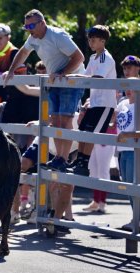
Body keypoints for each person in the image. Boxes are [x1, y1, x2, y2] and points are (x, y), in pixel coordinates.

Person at [4, 9, 85, 173]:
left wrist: (62, 73)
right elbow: (23, 52)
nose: (28, 29)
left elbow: (79, 58)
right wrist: (11, 70)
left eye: (32, 25)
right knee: (55, 120)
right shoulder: (33, 38)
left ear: (43, 23)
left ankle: (63, 158)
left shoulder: (57, 35)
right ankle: (58, 159)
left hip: (72, 79)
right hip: (55, 80)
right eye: (26, 26)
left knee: (66, 119)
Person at [67, 25, 116, 176]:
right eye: (89, 40)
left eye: (94, 40)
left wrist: (77, 77)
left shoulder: (105, 58)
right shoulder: (93, 57)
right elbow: (86, 75)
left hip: (104, 104)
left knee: (91, 134)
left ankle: (83, 163)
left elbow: (96, 78)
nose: (90, 43)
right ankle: (79, 160)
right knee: (83, 131)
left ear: (103, 41)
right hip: (94, 103)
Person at [116, 77, 139, 231]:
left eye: (132, 86)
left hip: (134, 151)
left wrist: (128, 136)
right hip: (122, 151)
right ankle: (135, 219)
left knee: (134, 187)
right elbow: (115, 123)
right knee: (127, 187)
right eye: (127, 86)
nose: (129, 89)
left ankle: (137, 220)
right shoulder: (122, 103)